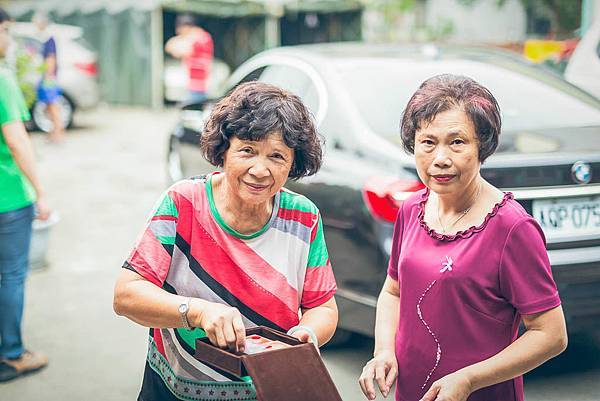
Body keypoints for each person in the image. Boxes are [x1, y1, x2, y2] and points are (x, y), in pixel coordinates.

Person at [113, 81, 338, 401]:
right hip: (174, 390)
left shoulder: (304, 218)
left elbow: (322, 307)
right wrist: (196, 311)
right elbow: (126, 294)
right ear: (223, 150)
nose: (260, 170)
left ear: (293, 163)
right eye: (247, 150)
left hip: (268, 389)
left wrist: (308, 333)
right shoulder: (183, 203)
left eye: (277, 156)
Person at [358, 74, 567, 401]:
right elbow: (394, 291)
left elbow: (551, 334)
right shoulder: (412, 209)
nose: (440, 158)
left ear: (481, 147)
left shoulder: (511, 228)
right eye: (427, 142)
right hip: (412, 390)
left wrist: (469, 379)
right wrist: (383, 351)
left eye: (457, 142)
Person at [0, 30, 51, 382]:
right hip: (8, 198)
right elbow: (17, 140)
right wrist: (40, 192)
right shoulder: (2, 77)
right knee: (11, 276)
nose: (8, 38)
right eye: (5, 30)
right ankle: (11, 354)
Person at [165, 14, 213, 104]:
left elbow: (177, 50)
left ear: (185, 27)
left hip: (198, 85)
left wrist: (180, 40)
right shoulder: (202, 36)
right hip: (197, 84)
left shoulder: (198, 38)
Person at [32, 12, 64, 143]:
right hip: (47, 77)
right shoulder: (46, 38)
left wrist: (47, 77)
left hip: (48, 78)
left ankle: (58, 134)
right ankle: (54, 132)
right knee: (49, 107)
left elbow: (51, 59)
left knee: (53, 106)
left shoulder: (49, 38)